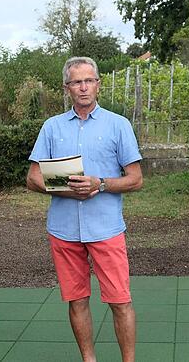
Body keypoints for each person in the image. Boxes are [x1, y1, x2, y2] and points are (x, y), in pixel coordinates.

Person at [26, 56, 143, 362]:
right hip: (63, 230)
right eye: (76, 82)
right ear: (67, 88)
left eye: (89, 80)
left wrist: (99, 184)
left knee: (120, 301)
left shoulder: (118, 125)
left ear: (98, 85)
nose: (83, 87)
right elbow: (33, 178)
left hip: (106, 229)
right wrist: (67, 190)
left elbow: (135, 179)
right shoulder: (52, 127)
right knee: (77, 301)